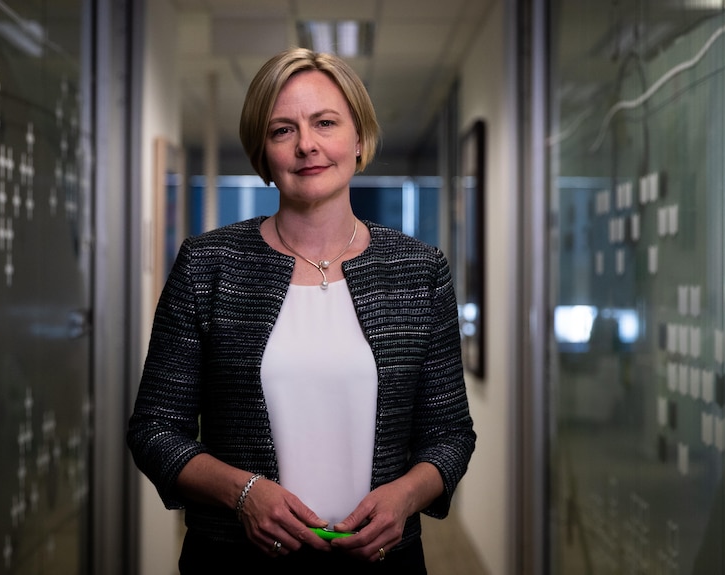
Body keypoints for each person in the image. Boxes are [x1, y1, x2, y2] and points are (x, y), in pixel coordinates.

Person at [127, 47, 476, 575]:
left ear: (359, 139)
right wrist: (243, 493)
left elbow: (451, 436)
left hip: (383, 561)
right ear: (263, 154)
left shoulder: (419, 270)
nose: (306, 144)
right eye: (282, 130)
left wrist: (404, 497)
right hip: (233, 561)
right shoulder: (207, 264)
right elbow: (154, 430)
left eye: (325, 122)